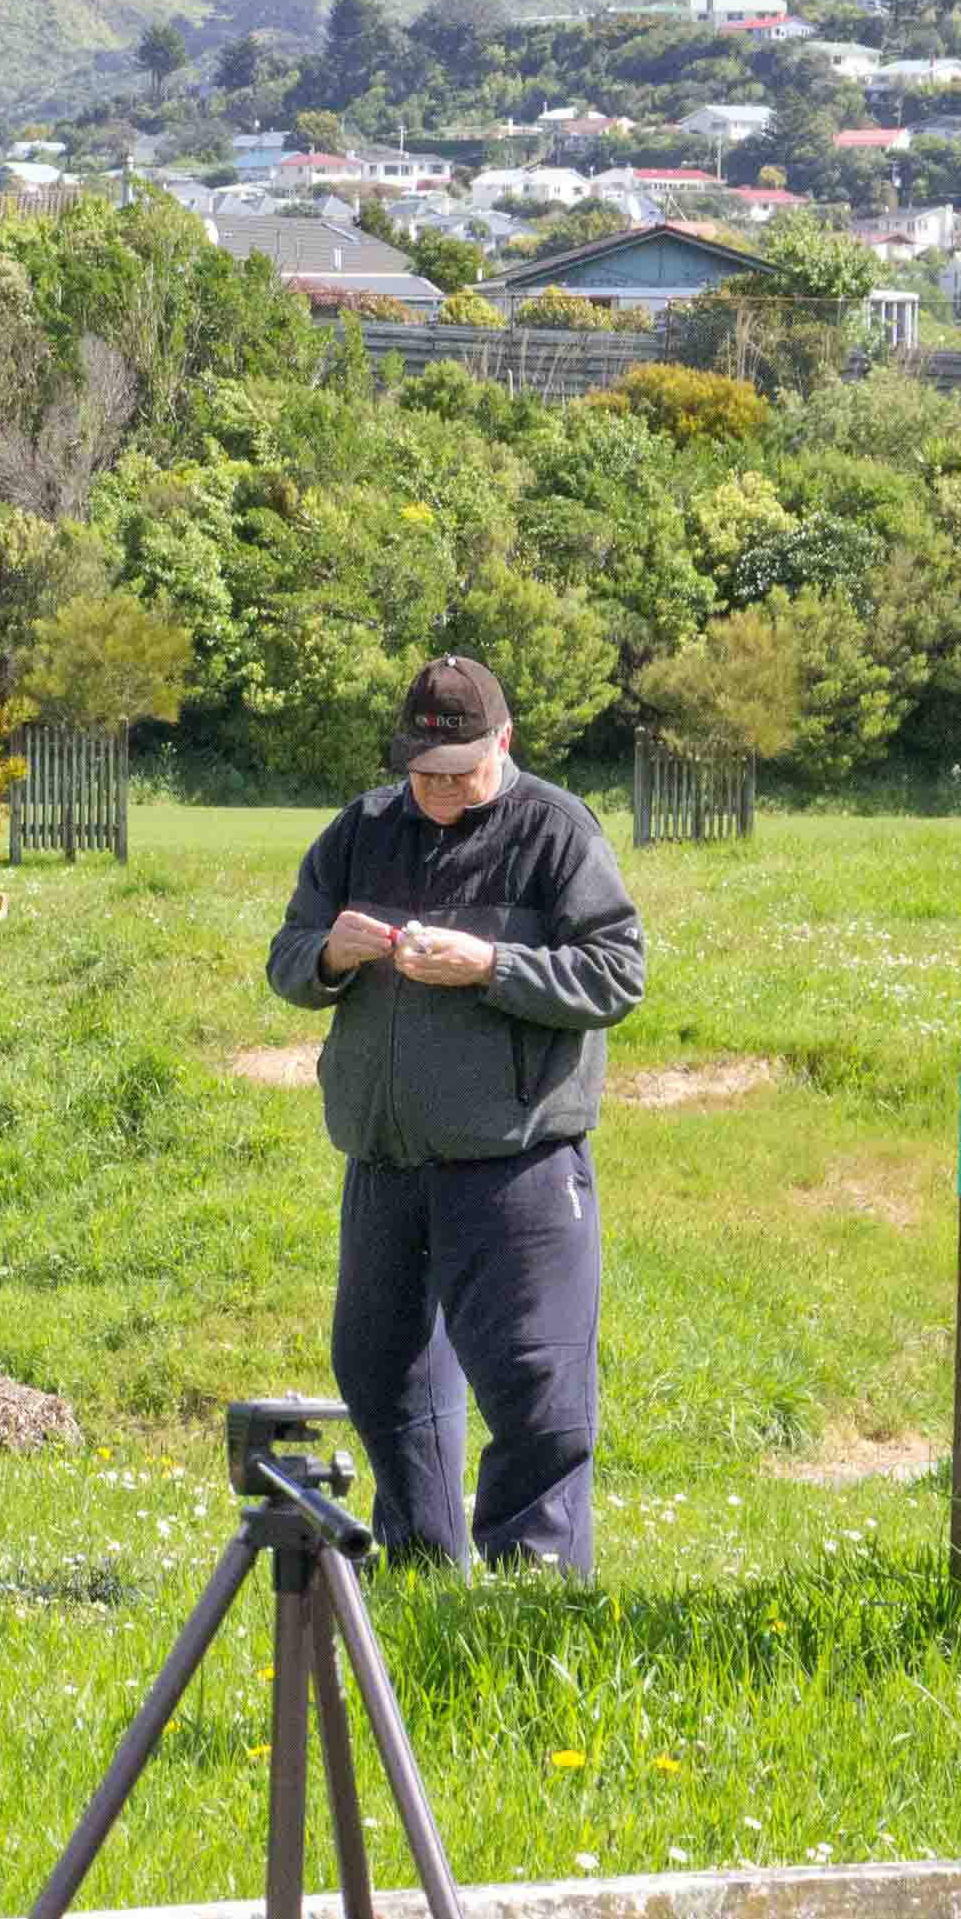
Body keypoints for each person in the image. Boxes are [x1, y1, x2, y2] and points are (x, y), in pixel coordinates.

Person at [261, 656, 646, 1575]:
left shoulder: (556, 829)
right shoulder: (360, 829)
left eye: (458, 773)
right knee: (380, 1376)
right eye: (420, 773)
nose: (435, 792)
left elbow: (617, 974)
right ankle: (421, 1577)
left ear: (503, 744)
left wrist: (492, 967)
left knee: (534, 1390)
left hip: (518, 1164)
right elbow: (285, 961)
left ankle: (533, 1598)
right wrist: (331, 955)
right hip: (385, 1160)